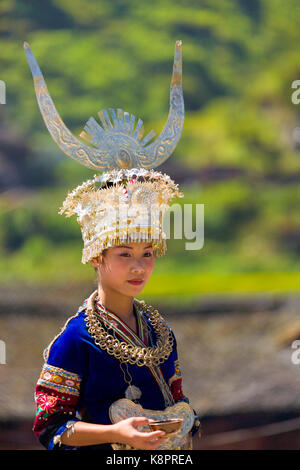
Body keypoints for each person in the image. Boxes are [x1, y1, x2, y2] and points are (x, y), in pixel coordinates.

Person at [25, 39, 201, 450]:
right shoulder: (76, 339)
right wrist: (115, 435)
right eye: (124, 256)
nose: (139, 267)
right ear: (97, 257)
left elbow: (176, 400)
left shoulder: (161, 332)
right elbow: (51, 428)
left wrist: (183, 420)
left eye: (147, 255)